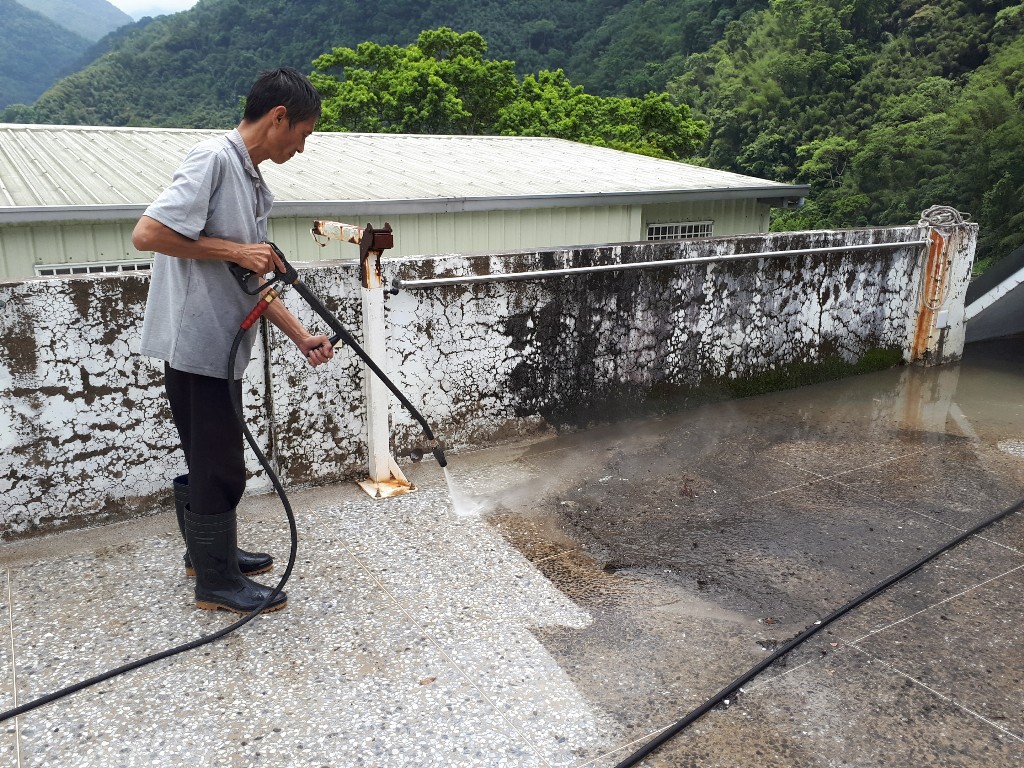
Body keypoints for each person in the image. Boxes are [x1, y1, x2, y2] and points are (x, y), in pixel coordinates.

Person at [132, 67, 333, 615]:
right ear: (278, 118)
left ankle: (207, 557)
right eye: (304, 134)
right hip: (196, 342)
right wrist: (237, 251)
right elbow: (148, 233)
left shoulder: (248, 180)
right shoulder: (214, 158)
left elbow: (252, 280)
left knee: (209, 455)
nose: (302, 146)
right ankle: (216, 584)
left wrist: (301, 336)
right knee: (220, 462)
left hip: (219, 343)